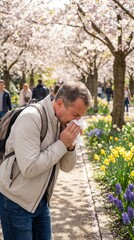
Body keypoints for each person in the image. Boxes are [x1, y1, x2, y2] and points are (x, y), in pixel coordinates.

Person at [0, 81, 92, 240]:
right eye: (76, 115)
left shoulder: (62, 121)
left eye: (80, 117)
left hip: (41, 202)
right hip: (16, 202)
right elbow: (29, 168)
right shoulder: (31, 118)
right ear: (60, 103)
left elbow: (67, 167)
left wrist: (69, 146)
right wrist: (62, 143)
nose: (77, 121)